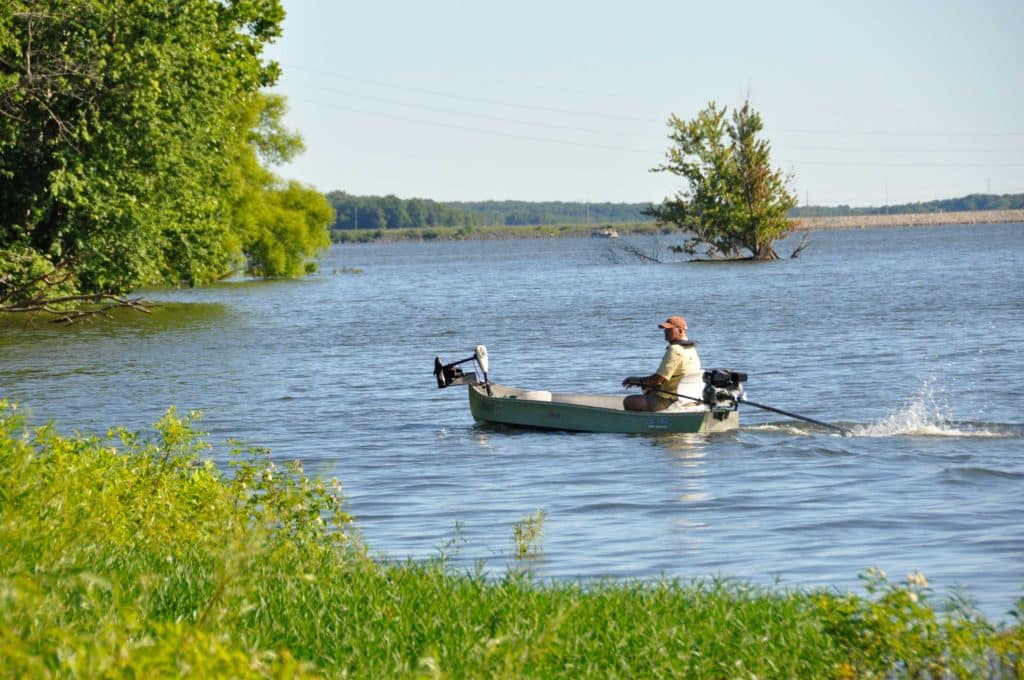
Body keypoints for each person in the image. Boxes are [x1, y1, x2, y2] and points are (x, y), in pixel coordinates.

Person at [622, 316, 702, 411]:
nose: (665, 332)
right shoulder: (691, 348)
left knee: (629, 401)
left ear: (680, 331)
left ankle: (650, 423)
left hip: (671, 399)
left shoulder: (675, 349)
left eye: (669, 329)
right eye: (665, 329)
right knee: (647, 389)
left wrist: (635, 380)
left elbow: (657, 380)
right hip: (687, 397)